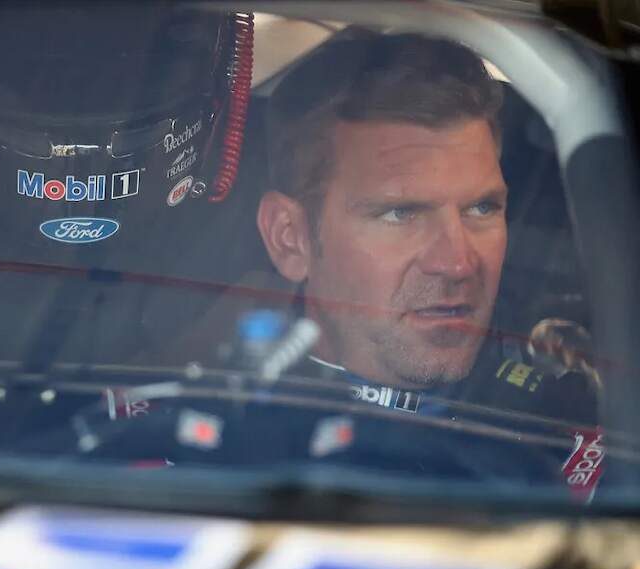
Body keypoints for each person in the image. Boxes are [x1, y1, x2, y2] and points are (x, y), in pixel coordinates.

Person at [254, 32, 594, 423]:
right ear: (290, 239)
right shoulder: (207, 456)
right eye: (401, 214)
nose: (458, 264)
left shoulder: (575, 414)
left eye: (481, 208)